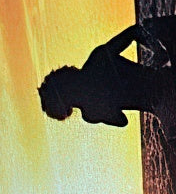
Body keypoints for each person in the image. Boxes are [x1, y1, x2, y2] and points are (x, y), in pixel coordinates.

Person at [38, 24, 169, 126]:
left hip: (164, 106)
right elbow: (135, 31)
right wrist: (159, 52)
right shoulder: (97, 59)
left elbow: (122, 121)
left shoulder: (90, 113)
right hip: (165, 82)